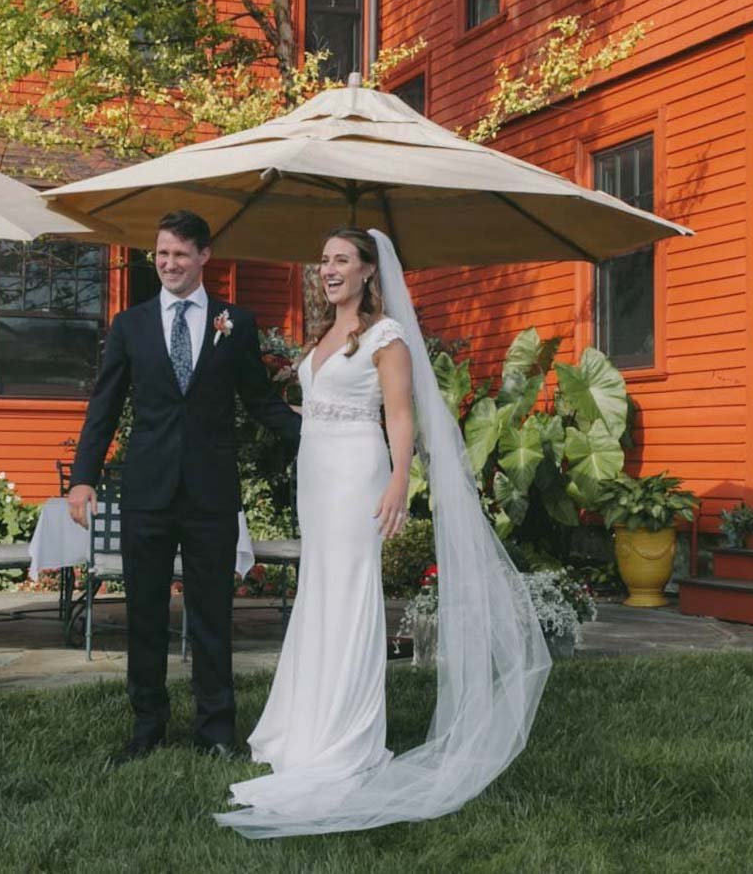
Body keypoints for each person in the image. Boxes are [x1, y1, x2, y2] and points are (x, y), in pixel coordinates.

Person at [216, 227, 551, 839]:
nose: (329, 269)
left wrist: (399, 480)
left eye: (342, 260)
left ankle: (344, 737)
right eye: (323, 261)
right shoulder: (326, 335)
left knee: (348, 595)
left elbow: (399, 415)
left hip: (356, 475)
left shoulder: (386, 336)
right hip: (316, 475)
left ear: (370, 270)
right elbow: (316, 409)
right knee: (321, 592)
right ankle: (305, 724)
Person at [68, 209, 301, 767]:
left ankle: (216, 729)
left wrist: (322, 434)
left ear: (203, 257)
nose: (168, 263)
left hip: (211, 494)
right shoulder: (131, 325)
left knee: (212, 613)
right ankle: (147, 726)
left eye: (178, 253)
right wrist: (82, 479)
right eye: (161, 253)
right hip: (146, 492)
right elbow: (104, 407)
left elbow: (260, 401)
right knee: (144, 612)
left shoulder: (235, 324)